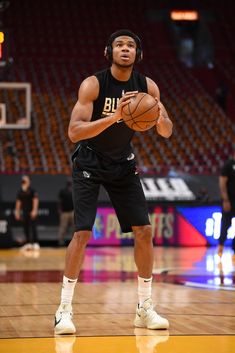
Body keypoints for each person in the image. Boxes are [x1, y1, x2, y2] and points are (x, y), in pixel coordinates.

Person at [54, 29, 173, 335]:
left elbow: (167, 132)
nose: (125, 49)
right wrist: (116, 116)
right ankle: (64, 310)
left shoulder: (147, 87)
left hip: (123, 162)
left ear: (138, 55)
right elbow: (74, 132)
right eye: (119, 45)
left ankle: (144, 308)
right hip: (89, 161)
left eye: (130, 46)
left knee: (144, 231)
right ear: (109, 52)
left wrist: (158, 115)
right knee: (81, 233)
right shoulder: (93, 84)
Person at [217, 145, 235, 257]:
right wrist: (225, 200)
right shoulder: (228, 165)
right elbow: (222, 183)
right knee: (225, 225)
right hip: (230, 201)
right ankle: (221, 247)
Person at [15, 175, 40, 251]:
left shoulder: (32, 190)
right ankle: (28, 243)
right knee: (25, 227)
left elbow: (35, 200)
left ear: (29, 181)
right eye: (23, 181)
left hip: (31, 211)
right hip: (25, 212)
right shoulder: (20, 192)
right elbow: (18, 203)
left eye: (26, 180)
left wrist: (34, 210)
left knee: (33, 227)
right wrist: (17, 212)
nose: (24, 182)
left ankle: (35, 243)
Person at [58, 179, 74, 246]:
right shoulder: (62, 191)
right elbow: (60, 201)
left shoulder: (74, 191)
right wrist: (59, 209)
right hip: (64, 212)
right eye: (68, 183)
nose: (69, 184)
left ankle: (74, 242)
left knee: (75, 228)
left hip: (73, 212)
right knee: (63, 227)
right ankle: (61, 242)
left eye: (70, 182)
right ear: (67, 183)